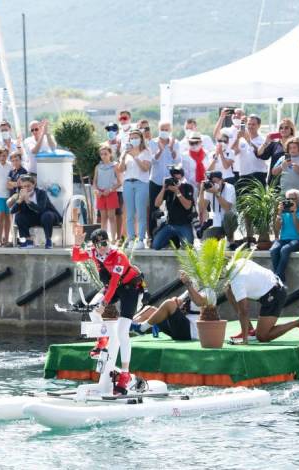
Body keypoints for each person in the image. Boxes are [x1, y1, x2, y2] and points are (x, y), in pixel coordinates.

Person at [72, 228, 145, 395]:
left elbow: (113, 283)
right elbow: (76, 257)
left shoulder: (118, 256)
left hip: (130, 289)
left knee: (122, 331)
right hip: (115, 288)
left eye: (105, 243)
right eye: (99, 245)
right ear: (94, 245)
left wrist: (105, 303)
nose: (103, 247)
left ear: (108, 242)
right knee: (92, 309)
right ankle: (102, 340)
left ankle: (125, 374)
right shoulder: (93, 253)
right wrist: (77, 244)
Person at [227, 258, 299, 344]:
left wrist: (245, 340)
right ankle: (249, 331)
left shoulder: (237, 281)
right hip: (270, 286)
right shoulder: (240, 261)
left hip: (275, 295)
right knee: (228, 290)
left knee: (262, 336)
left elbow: (244, 311)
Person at [131, 270, 205, 340]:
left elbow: (199, 302)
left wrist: (188, 284)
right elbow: (176, 301)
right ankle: (127, 326)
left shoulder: (209, 290)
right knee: (150, 309)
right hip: (177, 327)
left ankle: (142, 328)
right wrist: (176, 300)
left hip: (190, 332)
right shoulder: (192, 289)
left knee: (169, 303)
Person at [233, 114, 268, 243]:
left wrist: (248, 140)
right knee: (246, 207)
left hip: (258, 174)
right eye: (249, 124)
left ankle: (263, 235)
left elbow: (261, 153)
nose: (250, 127)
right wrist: (237, 139)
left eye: (253, 124)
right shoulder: (242, 140)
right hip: (244, 175)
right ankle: (249, 235)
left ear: (258, 125)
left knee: (259, 206)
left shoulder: (262, 139)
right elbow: (233, 152)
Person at [117, 128, 152, 249]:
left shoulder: (146, 152)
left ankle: (141, 239)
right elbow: (121, 170)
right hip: (128, 183)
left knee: (141, 213)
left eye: (136, 137)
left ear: (141, 139)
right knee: (130, 214)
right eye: (131, 138)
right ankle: (131, 238)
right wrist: (123, 157)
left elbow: (145, 168)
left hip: (141, 183)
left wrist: (135, 156)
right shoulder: (126, 152)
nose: (133, 140)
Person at [8, 174, 62, 248]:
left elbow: (41, 209)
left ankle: (48, 240)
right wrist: (20, 200)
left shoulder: (42, 193)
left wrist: (28, 201)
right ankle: (28, 241)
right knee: (19, 217)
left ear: (33, 184)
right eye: (24, 186)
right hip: (33, 218)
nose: (26, 188)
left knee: (46, 216)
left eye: (28, 186)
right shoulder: (21, 194)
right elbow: (12, 211)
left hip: (47, 215)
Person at [151, 164, 195, 249]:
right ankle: (172, 241)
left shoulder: (187, 187)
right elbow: (156, 204)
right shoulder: (168, 189)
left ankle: (176, 241)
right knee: (156, 245)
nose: (175, 177)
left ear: (182, 176)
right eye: (173, 175)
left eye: (177, 174)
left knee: (188, 247)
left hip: (184, 224)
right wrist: (164, 188)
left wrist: (177, 192)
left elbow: (188, 206)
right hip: (170, 225)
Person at [148, 122, 179, 240]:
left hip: (170, 182)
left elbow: (177, 161)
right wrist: (160, 151)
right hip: (156, 181)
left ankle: (173, 237)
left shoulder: (175, 143)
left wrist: (171, 150)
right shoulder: (152, 143)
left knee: (172, 209)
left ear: (170, 130)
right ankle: (152, 236)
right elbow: (152, 161)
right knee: (153, 209)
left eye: (166, 129)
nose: (164, 131)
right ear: (158, 129)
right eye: (162, 129)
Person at [270, 189, 299, 282]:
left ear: (298, 200)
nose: (289, 201)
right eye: (287, 199)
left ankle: (277, 277)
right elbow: (276, 229)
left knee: (285, 249)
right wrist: (279, 213)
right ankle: (280, 279)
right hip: (284, 239)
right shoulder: (283, 213)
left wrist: (294, 213)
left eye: (292, 199)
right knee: (273, 249)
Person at [198, 171, 237, 242]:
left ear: (221, 180)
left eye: (215, 181)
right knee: (205, 241)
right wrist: (201, 191)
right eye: (211, 182)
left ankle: (230, 240)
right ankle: (218, 236)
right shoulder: (209, 189)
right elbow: (201, 208)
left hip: (230, 221)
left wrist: (216, 193)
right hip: (216, 222)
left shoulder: (229, 187)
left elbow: (227, 208)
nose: (213, 184)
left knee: (229, 215)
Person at [93, 144, 122, 239]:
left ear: (110, 154)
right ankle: (103, 239)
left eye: (105, 154)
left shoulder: (115, 166)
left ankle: (113, 239)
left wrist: (110, 190)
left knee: (112, 217)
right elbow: (94, 182)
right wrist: (96, 190)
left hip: (111, 194)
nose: (103, 156)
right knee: (103, 218)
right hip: (100, 195)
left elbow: (119, 182)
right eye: (101, 154)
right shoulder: (98, 167)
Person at [258, 118, 296, 185]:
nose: (283, 130)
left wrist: (290, 141)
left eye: (286, 128)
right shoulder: (275, 144)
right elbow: (260, 154)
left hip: (291, 180)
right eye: (281, 128)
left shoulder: (296, 144)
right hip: (275, 181)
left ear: (291, 130)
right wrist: (266, 142)